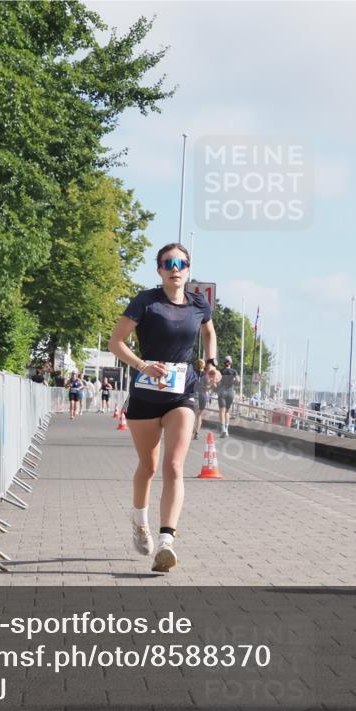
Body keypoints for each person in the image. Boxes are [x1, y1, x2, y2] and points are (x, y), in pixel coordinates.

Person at [108, 242, 220, 573]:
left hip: (181, 393)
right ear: (159, 269)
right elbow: (116, 342)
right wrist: (142, 365)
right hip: (145, 394)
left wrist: (211, 363)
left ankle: (166, 542)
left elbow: (209, 332)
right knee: (149, 466)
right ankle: (139, 520)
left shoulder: (199, 304)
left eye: (181, 263)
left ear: (188, 270)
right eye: (168, 263)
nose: (175, 268)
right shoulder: (145, 302)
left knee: (174, 466)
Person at [217, 355, 239, 437]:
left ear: (224, 362)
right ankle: (226, 430)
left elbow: (218, 382)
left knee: (221, 411)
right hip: (230, 392)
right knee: (227, 412)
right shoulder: (234, 371)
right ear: (231, 363)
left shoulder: (221, 371)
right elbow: (238, 381)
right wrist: (233, 381)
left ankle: (222, 429)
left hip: (222, 392)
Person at [193, 358, 211, 440]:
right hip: (202, 395)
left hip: (193, 394)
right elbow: (207, 387)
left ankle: (189, 430)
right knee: (199, 415)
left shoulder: (192, 373)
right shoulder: (206, 375)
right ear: (204, 365)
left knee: (192, 414)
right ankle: (196, 433)